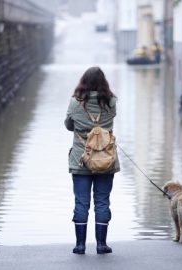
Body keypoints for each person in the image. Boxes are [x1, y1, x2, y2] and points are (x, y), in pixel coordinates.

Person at [64, 67, 120, 255]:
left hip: (81, 160)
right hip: (106, 160)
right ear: (104, 83)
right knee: (102, 202)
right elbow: (111, 120)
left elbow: (68, 125)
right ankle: (101, 245)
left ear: (83, 83)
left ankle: (80, 246)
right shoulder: (111, 102)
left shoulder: (75, 103)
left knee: (81, 203)